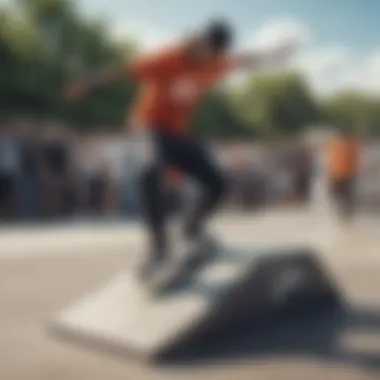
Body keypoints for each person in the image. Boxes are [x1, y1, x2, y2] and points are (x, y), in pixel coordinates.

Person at [65, 19, 297, 278]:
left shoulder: (217, 63)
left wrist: (275, 54)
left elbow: (245, 59)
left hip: (178, 134)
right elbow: (124, 71)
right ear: (198, 39)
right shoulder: (167, 57)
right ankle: (158, 249)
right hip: (148, 127)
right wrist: (89, 85)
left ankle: (191, 227)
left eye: (209, 53)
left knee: (217, 184)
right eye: (200, 46)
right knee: (151, 170)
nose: (201, 54)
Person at [327, 128, 360, 220]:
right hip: (342, 173)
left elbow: (355, 159)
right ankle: (344, 210)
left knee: (344, 194)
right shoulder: (348, 145)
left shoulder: (345, 145)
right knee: (343, 194)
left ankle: (345, 210)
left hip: (343, 173)